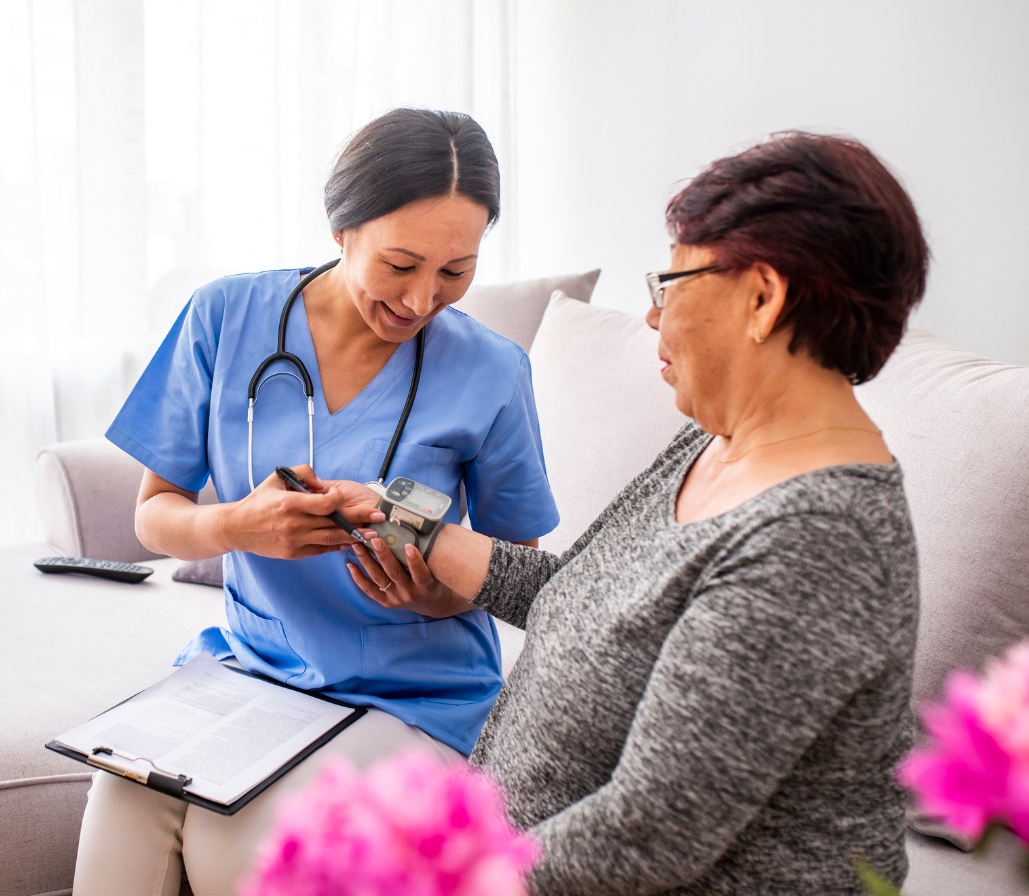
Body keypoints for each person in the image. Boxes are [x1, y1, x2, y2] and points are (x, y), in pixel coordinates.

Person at [346, 131, 927, 894]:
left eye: (671, 282)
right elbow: (579, 593)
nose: (653, 318)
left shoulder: (822, 539)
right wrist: (396, 513)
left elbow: (653, 832)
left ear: (763, 297)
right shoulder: (713, 444)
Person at [72, 107, 560, 895]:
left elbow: (522, 572)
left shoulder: (491, 370)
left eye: (455, 270)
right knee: (122, 805)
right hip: (252, 667)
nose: (422, 298)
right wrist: (239, 527)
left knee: (238, 850)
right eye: (400, 264)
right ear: (342, 229)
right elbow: (154, 513)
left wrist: (433, 591)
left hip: (414, 695)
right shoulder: (225, 317)